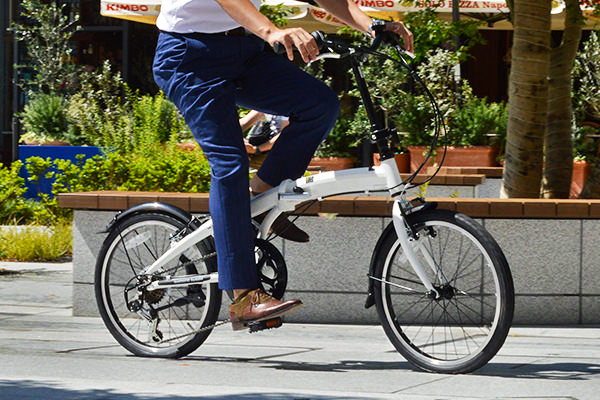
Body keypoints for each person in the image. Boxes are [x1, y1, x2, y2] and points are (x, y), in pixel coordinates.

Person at [153, 0, 414, 330]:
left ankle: (260, 203)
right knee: (230, 164)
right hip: (190, 56)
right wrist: (271, 30)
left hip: (245, 51)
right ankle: (244, 295)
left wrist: (370, 24)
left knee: (319, 104)